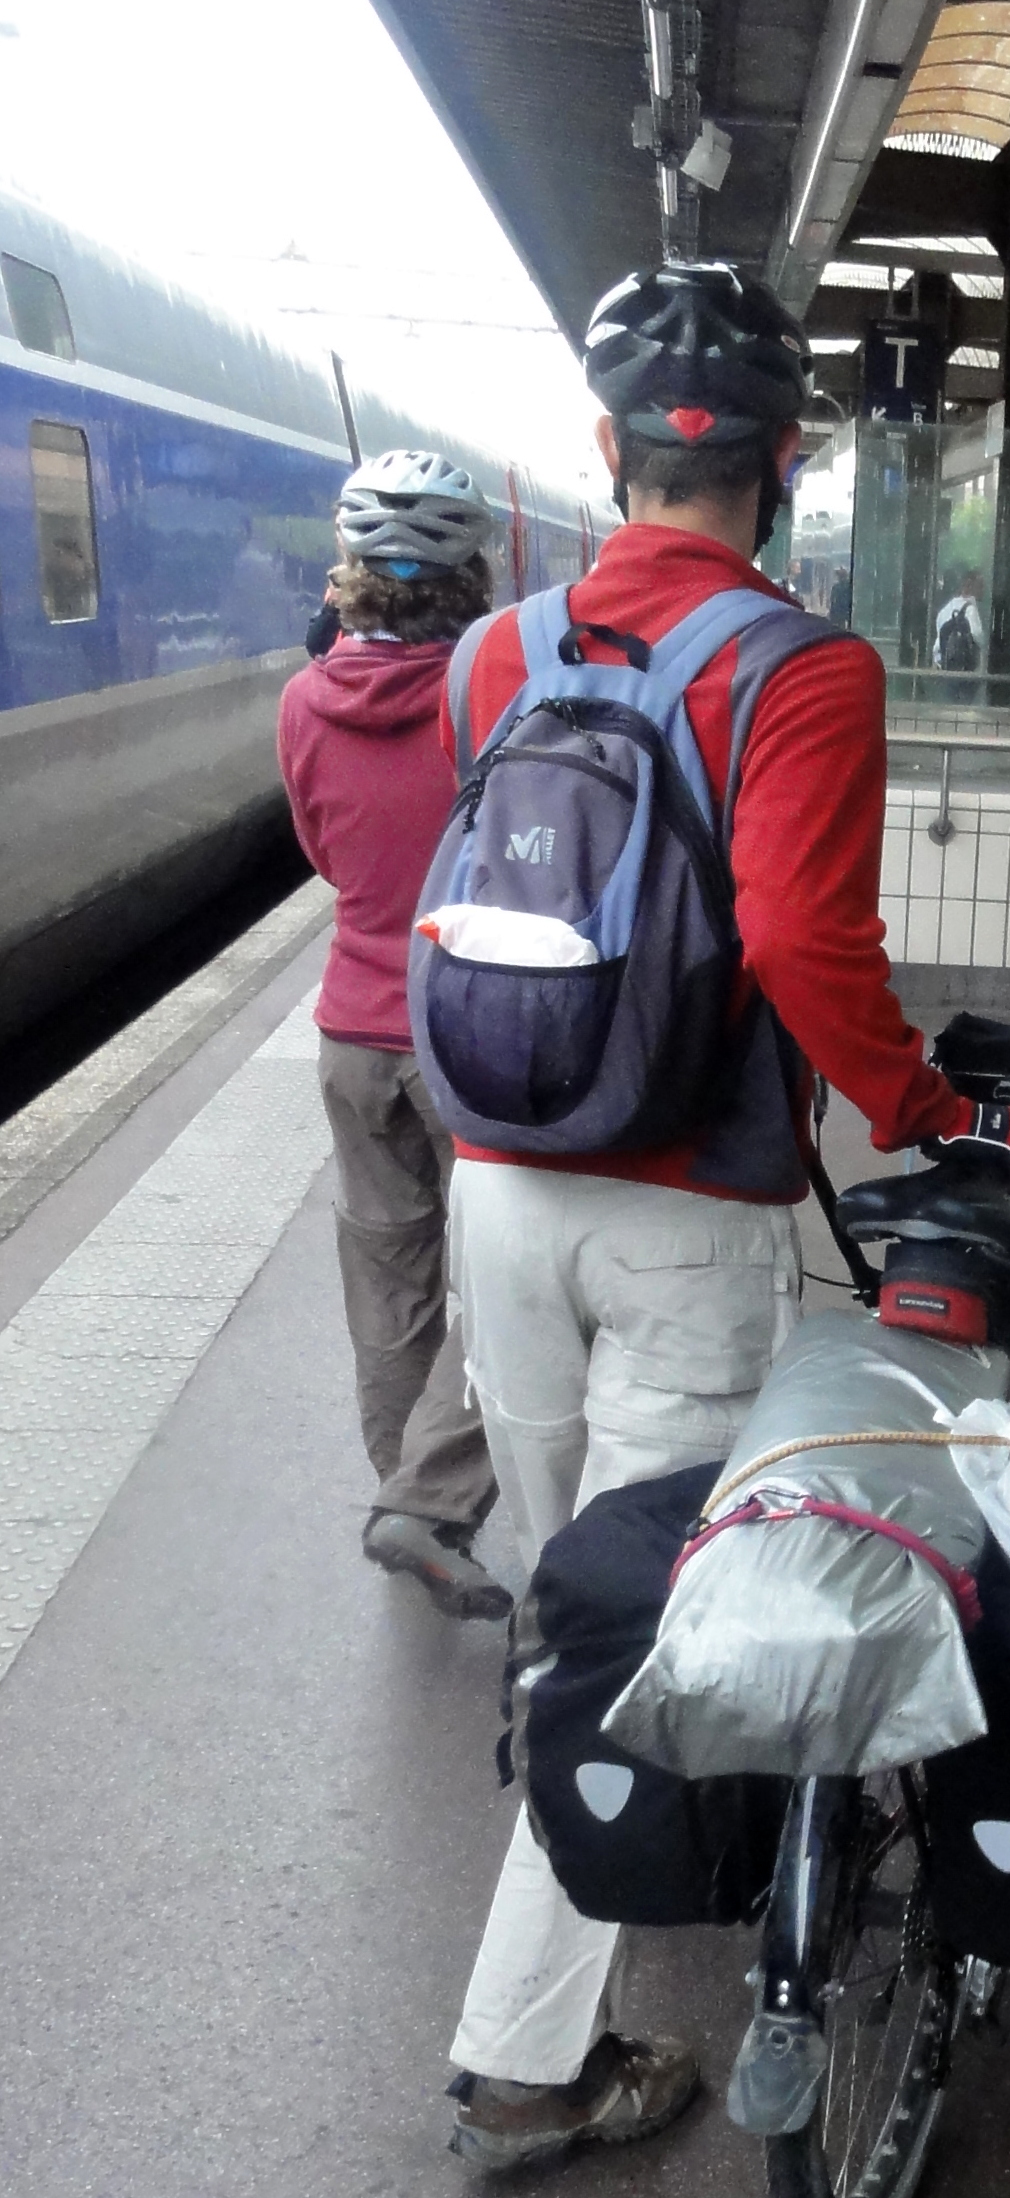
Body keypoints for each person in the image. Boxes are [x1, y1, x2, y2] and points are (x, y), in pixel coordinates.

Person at [437, 261, 1010, 2171]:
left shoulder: (487, 658)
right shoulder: (802, 666)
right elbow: (794, 936)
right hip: (683, 1207)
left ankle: (610, 1832)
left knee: (569, 1597)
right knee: (627, 1631)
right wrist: (926, 1112)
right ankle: (531, 2057)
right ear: (788, 460)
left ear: (608, 449)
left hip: (494, 1181)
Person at [277, 450, 508, 1621]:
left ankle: (405, 1496)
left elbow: (324, 854)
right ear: (469, 580)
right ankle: (426, 1501)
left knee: (387, 1281)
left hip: (351, 1032)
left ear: (353, 576)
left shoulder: (302, 700)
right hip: (470, 1027)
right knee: (507, 1280)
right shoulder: (492, 697)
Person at [933, 567, 985, 700]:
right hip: (966, 672)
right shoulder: (970, 610)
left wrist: (942, 664)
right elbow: (979, 637)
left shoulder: (945, 610)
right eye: (980, 586)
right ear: (969, 586)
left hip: (948, 670)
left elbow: (938, 645)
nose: (983, 590)